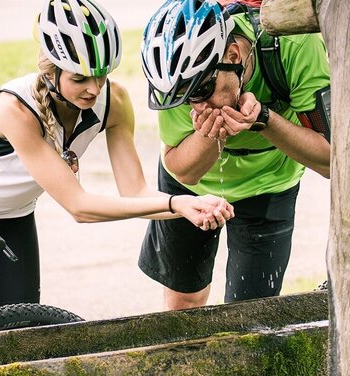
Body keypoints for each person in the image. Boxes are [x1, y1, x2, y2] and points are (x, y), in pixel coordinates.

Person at [0, 0, 234, 338]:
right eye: (80, 78)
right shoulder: (15, 109)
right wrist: (175, 204)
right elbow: (79, 207)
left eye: (101, 75)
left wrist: (187, 205)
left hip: (10, 214)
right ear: (51, 72)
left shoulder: (115, 102)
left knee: (20, 340)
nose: (94, 88)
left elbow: (136, 192)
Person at [138, 0, 331, 310]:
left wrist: (264, 120)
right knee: (184, 299)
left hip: (269, 184)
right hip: (192, 192)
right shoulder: (176, 70)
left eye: (200, 92)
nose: (196, 107)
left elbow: (332, 159)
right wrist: (210, 135)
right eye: (183, 98)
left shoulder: (294, 45)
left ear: (233, 56)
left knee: (248, 312)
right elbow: (182, 171)